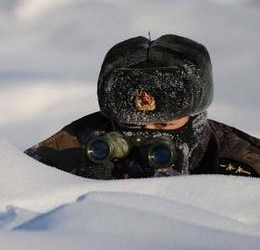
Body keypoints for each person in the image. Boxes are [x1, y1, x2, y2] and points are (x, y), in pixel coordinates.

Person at [25, 34, 260, 179]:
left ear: (196, 119)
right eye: (129, 124)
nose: (146, 133)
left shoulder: (239, 160)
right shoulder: (81, 142)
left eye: (165, 124)